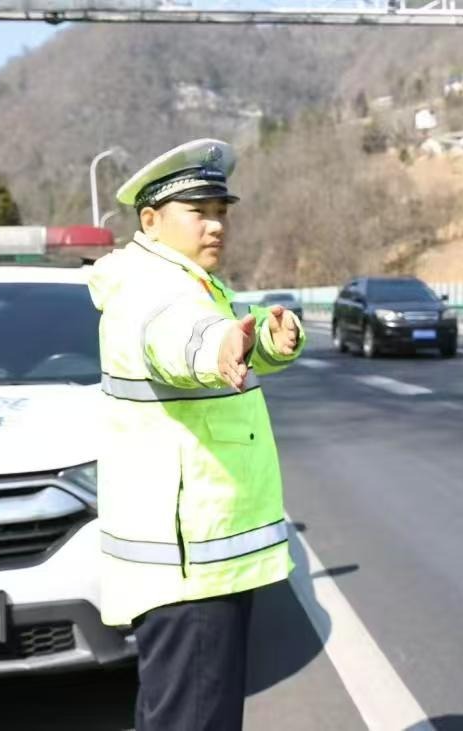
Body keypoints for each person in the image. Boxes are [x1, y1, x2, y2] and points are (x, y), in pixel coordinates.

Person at [87, 138, 305, 731]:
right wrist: (218, 346)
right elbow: (182, 340)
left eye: (221, 211)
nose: (215, 225)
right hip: (191, 564)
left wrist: (267, 340)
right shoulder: (154, 291)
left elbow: (223, 340)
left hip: (193, 557)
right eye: (198, 212)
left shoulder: (187, 281)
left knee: (173, 716)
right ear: (150, 221)